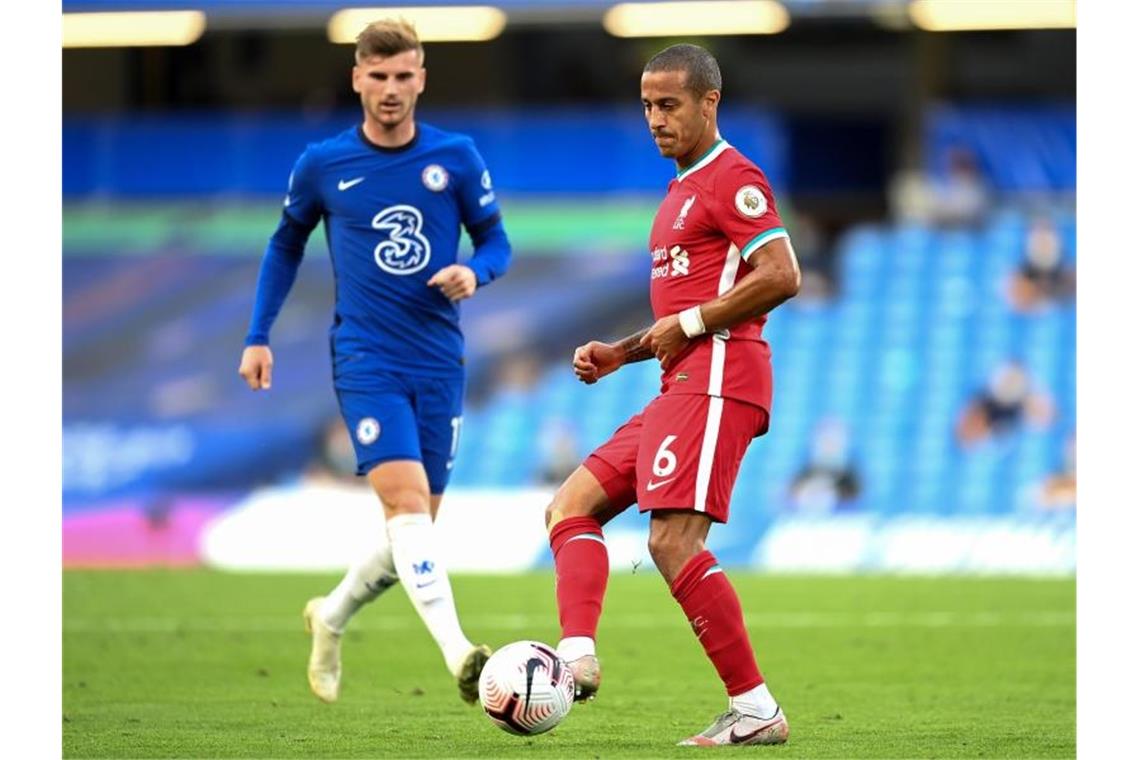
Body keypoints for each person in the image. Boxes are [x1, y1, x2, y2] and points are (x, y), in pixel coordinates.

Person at [237, 19, 511, 705]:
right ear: (358, 77)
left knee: (412, 530)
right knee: (407, 506)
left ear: (421, 78)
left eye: (403, 76)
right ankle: (461, 657)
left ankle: (330, 616)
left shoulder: (457, 157)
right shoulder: (323, 164)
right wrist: (258, 333)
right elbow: (284, 245)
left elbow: (498, 242)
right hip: (366, 357)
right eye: (378, 76)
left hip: (440, 360)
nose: (390, 90)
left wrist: (475, 273)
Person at [544, 44, 800, 746]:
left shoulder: (732, 178)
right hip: (681, 381)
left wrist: (686, 325)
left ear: (708, 102)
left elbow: (781, 274)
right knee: (569, 507)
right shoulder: (680, 190)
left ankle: (755, 708)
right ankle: (575, 657)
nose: (656, 119)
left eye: (670, 105)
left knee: (673, 540)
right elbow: (677, 320)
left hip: (723, 376)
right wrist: (619, 354)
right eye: (648, 107)